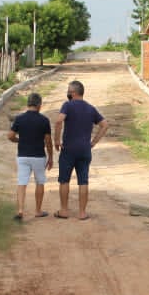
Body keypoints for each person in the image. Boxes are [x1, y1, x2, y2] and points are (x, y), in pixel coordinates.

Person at [53, 79, 109, 220]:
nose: (67, 93)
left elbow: (59, 121)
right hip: (84, 150)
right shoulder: (91, 108)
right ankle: (82, 213)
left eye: (68, 91)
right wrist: (93, 142)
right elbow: (104, 125)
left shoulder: (67, 105)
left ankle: (64, 210)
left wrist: (57, 140)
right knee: (83, 181)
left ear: (73, 93)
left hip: (68, 149)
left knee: (64, 180)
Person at [7, 92, 54, 220]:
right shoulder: (44, 120)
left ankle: (20, 210)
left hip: (23, 156)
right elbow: (48, 141)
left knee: (22, 182)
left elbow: (10, 136)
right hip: (38, 156)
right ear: (39, 105)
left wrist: (19, 140)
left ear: (28, 104)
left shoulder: (19, 118)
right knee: (40, 182)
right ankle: (38, 211)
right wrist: (51, 157)